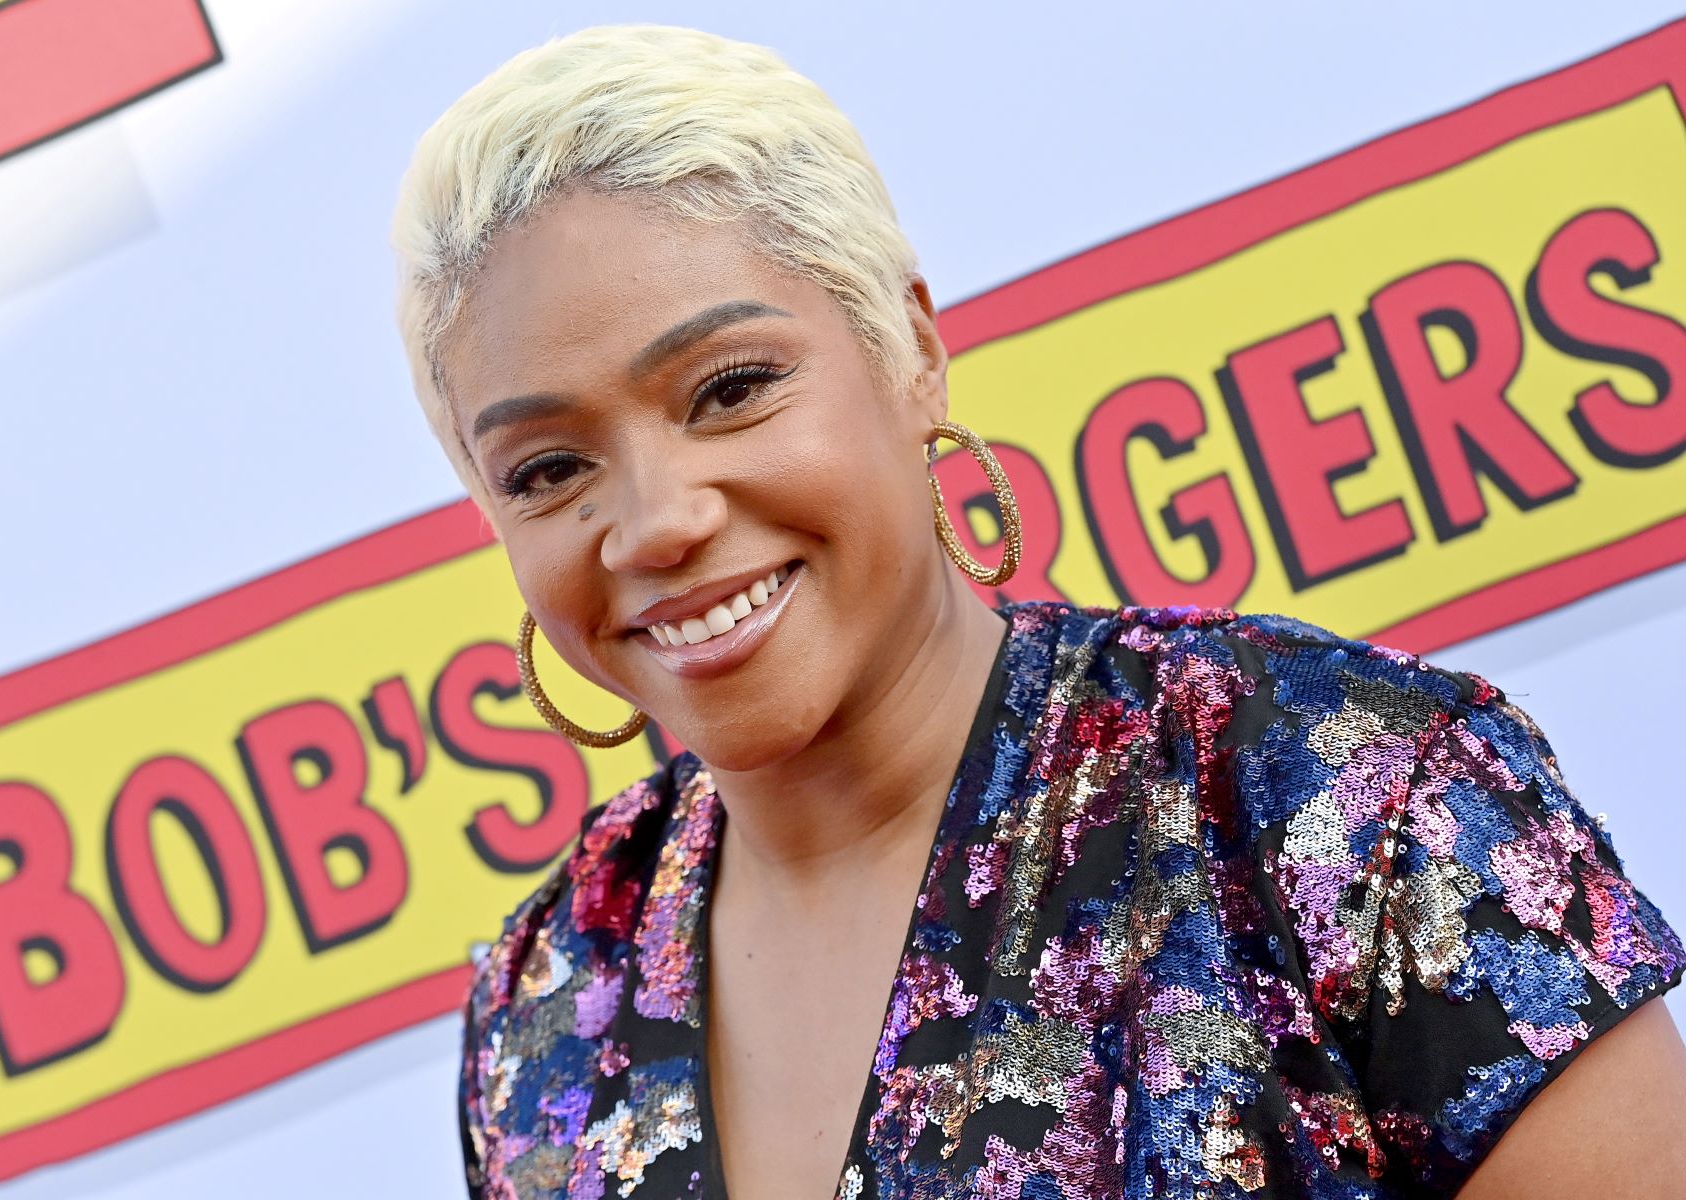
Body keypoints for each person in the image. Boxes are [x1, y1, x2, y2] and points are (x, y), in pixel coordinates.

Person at [390, 25, 1686, 1200]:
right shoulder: (550, 1000)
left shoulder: (1337, 794)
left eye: (729, 388)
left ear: (911, 354)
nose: (657, 518)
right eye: (548, 471)